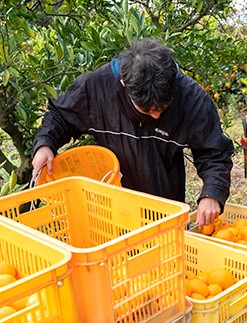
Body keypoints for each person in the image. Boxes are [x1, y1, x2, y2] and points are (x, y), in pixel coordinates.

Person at [32, 38, 234, 226]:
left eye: (162, 109)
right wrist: (45, 143)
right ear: (124, 84)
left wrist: (212, 194)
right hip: (113, 209)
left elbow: (214, 152)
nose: (155, 117)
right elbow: (61, 115)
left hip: (165, 206)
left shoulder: (190, 98)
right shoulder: (97, 88)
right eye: (147, 110)